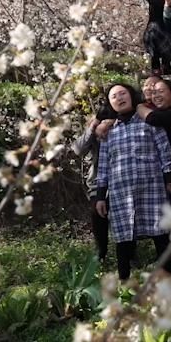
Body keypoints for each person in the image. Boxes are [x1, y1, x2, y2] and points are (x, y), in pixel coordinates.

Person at [96, 84, 171, 280]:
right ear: (110, 103)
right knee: (123, 239)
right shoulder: (109, 132)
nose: (119, 98)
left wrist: (170, 181)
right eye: (114, 96)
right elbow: (103, 166)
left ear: (132, 96)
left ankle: (169, 280)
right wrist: (101, 196)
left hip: (152, 189)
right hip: (120, 194)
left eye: (123, 93)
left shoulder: (149, 123)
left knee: (161, 234)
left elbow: (165, 152)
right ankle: (124, 284)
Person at [72, 102, 116, 262]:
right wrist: (93, 127)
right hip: (97, 182)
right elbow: (78, 149)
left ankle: (129, 254)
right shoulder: (94, 132)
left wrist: (112, 124)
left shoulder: (122, 127)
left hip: (121, 180)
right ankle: (101, 252)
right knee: (98, 217)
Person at [137, 79, 171, 209]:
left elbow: (153, 119)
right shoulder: (158, 110)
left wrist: (139, 107)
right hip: (162, 175)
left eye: (161, 91)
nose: (156, 96)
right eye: (154, 93)